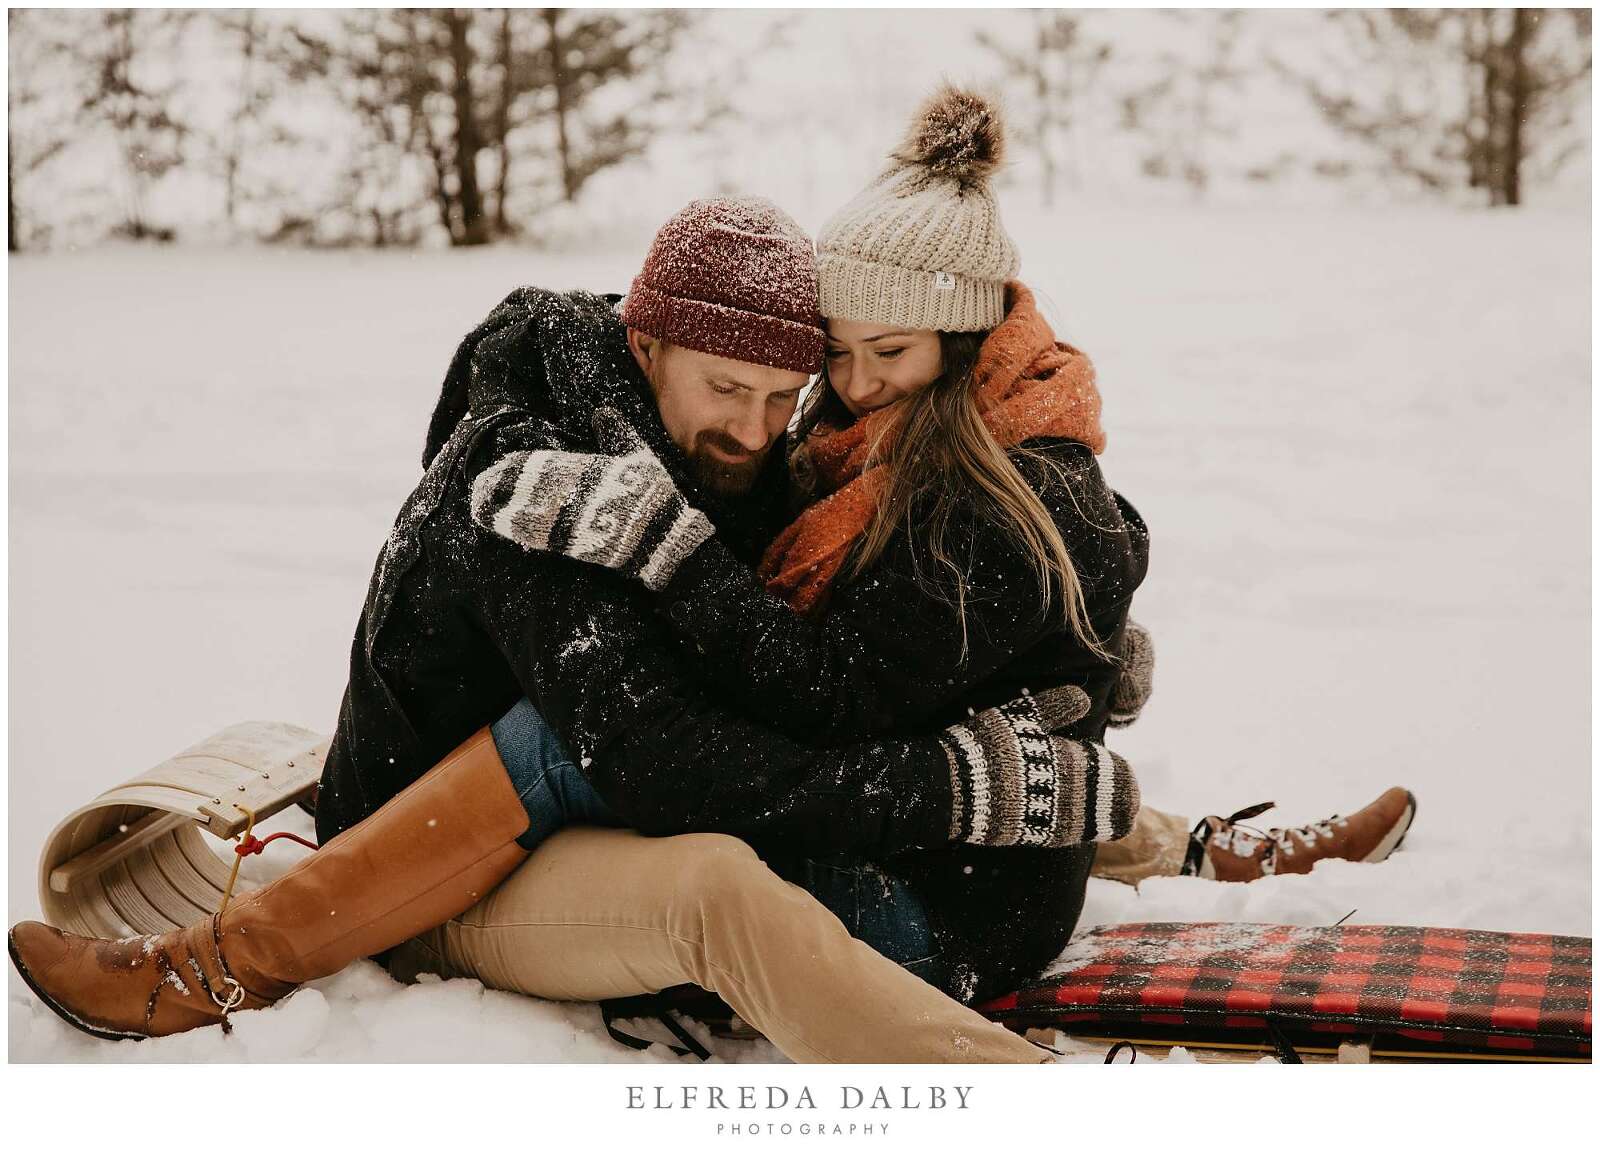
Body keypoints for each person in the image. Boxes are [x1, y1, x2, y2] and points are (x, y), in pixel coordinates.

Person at [8, 183, 1134, 1061]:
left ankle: (1169, 842)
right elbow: (652, 753)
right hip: (438, 871)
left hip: (587, 823)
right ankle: (215, 970)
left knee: (697, 783)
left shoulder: (720, 463)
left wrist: (1042, 659)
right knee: (673, 843)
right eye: (723, 389)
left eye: (782, 395)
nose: (755, 429)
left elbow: (816, 670)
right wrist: (944, 790)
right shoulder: (541, 484)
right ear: (645, 348)